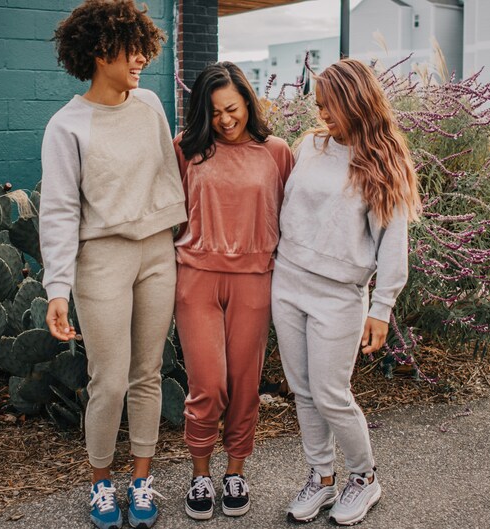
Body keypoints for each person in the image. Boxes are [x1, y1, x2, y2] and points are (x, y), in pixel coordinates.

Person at [39, 2, 186, 528]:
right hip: (101, 259)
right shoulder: (66, 126)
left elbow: (171, 175)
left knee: (149, 373)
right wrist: (58, 288)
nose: (143, 57)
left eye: (145, 45)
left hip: (157, 252)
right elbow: (58, 211)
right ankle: (101, 483)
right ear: (100, 52)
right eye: (132, 48)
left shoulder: (148, 104)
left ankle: (142, 480)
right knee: (109, 380)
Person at [271, 58, 421, 526]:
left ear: (356, 102)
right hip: (288, 282)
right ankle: (321, 478)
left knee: (331, 392)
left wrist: (383, 307)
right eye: (318, 106)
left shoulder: (382, 161)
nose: (323, 116)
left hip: (339, 295)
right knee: (302, 391)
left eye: (330, 106)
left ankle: (363, 477)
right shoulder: (311, 145)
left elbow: (393, 244)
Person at [172, 62, 294, 520]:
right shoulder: (186, 149)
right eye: (214, 111)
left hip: (254, 279)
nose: (225, 119)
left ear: (247, 100)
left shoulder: (277, 152)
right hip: (196, 278)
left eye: (232, 108)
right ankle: (201, 475)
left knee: (245, 385)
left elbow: (295, 219)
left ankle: (235, 472)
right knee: (208, 384)